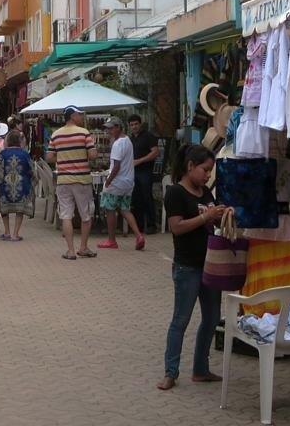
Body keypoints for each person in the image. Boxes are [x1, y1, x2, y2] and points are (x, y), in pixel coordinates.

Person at [158, 144, 228, 391]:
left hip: (210, 265)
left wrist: (220, 216)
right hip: (187, 267)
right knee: (181, 319)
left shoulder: (206, 193)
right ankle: (170, 372)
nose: (208, 175)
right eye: (205, 170)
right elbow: (177, 227)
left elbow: (212, 220)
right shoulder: (175, 193)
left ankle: (200, 368)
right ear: (190, 167)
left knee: (210, 319)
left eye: (210, 171)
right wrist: (206, 217)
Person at [46, 106, 98, 259]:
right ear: (72, 116)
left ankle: (70, 251)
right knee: (85, 215)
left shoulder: (56, 135)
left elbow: (49, 157)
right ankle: (83, 247)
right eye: (79, 114)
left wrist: (62, 158)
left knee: (66, 215)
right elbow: (93, 155)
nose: (81, 117)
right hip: (82, 180)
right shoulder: (84, 133)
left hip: (63, 180)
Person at [98, 117, 145, 250]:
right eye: (108, 128)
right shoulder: (128, 141)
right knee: (125, 209)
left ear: (118, 127)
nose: (109, 131)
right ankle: (138, 235)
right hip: (128, 181)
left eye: (111, 128)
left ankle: (111, 240)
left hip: (117, 182)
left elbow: (116, 166)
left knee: (110, 208)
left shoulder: (118, 144)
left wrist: (108, 181)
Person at [0, 130, 35, 240]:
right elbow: (32, 170)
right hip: (22, 185)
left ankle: (7, 232)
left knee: (4, 209)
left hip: (5, 186)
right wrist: (33, 182)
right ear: (19, 141)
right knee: (20, 210)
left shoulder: (2, 154)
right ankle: (15, 234)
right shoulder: (25, 154)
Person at [128, 114, 160, 235]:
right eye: (132, 125)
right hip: (133, 172)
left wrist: (139, 161)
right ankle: (139, 226)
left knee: (147, 196)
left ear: (140, 124)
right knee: (136, 199)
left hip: (145, 171)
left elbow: (155, 152)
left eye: (136, 124)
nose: (134, 127)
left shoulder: (148, 136)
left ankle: (152, 225)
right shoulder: (130, 139)